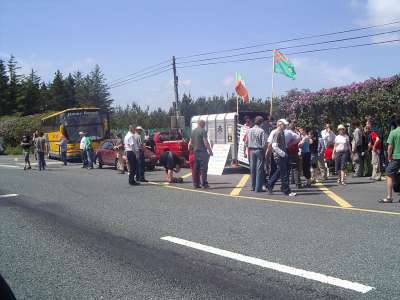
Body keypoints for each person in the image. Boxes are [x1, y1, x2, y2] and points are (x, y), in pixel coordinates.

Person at [267, 119, 296, 197]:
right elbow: (274, 146)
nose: (286, 126)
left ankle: (269, 184)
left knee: (280, 172)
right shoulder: (278, 133)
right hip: (280, 156)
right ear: (280, 125)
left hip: (281, 155)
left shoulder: (281, 132)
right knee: (284, 174)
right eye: (284, 125)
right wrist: (283, 153)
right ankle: (286, 190)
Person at [244, 116, 268, 192]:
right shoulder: (261, 131)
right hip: (259, 150)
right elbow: (264, 143)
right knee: (259, 169)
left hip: (251, 150)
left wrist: (246, 148)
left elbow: (246, 142)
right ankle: (258, 188)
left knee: (252, 169)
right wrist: (265, 151)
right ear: (261, 122)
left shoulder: (249, 130)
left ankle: (253, 186)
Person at [379, 116, 400, 203]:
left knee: (389, 174)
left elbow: (390, 147)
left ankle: (389, 197)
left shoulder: (393, 132)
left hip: (396, 157)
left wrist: (389, 156)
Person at [188, 119, 213, 189]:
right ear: (202, 124)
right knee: (204, 168)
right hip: (203, 152)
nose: (204, 126)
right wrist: (210, 151)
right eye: (204, 125)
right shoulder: (203, 131)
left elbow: (190, 143)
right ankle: (204, 183)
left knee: (196, 168)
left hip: (195, 152)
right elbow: (206, 142)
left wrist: (190, 151)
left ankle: (196, 184)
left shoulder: (193, 132)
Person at [285, 122, 301, 188]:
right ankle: (298, 183)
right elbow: (299, 139)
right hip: (294, 153)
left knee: (287, 169)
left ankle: (287, 183)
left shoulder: (285, 133)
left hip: (287, 152)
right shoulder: (295, 134)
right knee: (295, 168)